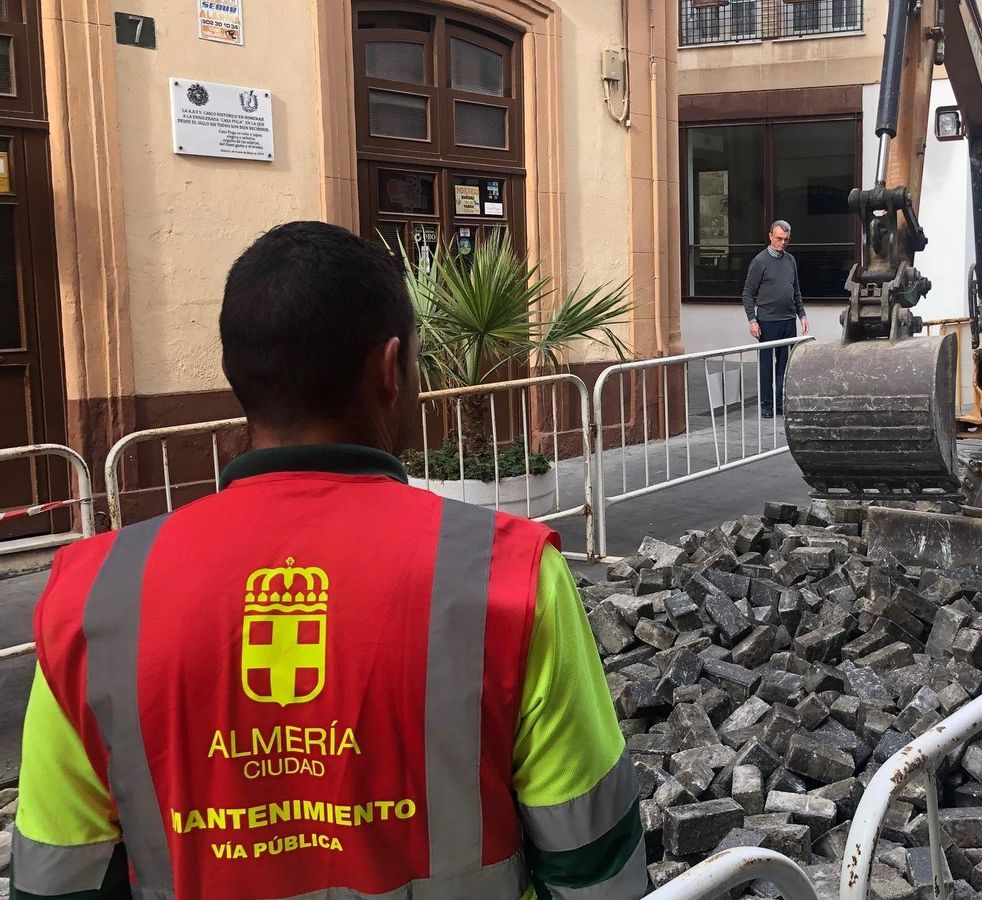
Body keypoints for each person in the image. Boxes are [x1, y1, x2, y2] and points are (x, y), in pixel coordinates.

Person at [11, 222, 646, 900]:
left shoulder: (96, 598)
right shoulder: (509, 577)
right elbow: (592, 865)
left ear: (235, 375)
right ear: (389, 368)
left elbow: (55, 880)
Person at [742, 220, 810, 418]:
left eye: (786, 240)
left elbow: (795, 290)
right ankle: (766, 405)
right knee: (766, 366)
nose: (782, 243)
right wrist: (752, 320)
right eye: (779, 238)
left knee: (785, 365)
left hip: (788, 320)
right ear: (771, 236)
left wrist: (802, 315)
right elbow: (747, 293)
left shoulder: (790, 261)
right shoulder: (759, 262)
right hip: (767, 321)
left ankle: (780, 403)